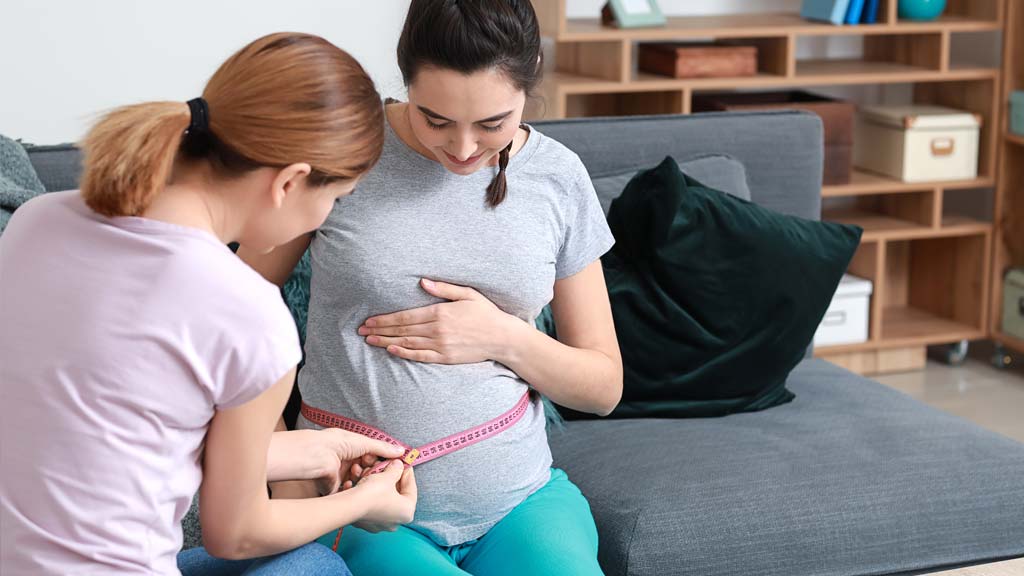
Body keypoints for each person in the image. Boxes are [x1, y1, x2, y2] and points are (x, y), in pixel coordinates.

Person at [0, 32, 416, 576]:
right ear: (290, 182)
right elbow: (235, 533)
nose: (325, 217)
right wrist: (364, 502)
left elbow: (107, 435)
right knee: (318, 568)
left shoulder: (37, 221)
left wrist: (315, 451)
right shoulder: (247, 314)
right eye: (336, 199)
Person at [240, 3, 622, 574]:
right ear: (406, 81)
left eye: (492, 123)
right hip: (356, 509)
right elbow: (230, 311)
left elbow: (604, 388)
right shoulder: (342, 153)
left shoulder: (558, 177)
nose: (463, 149)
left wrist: (504, 338)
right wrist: (278, 466)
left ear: (532, 76)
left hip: (522, 502)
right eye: (435, 119)